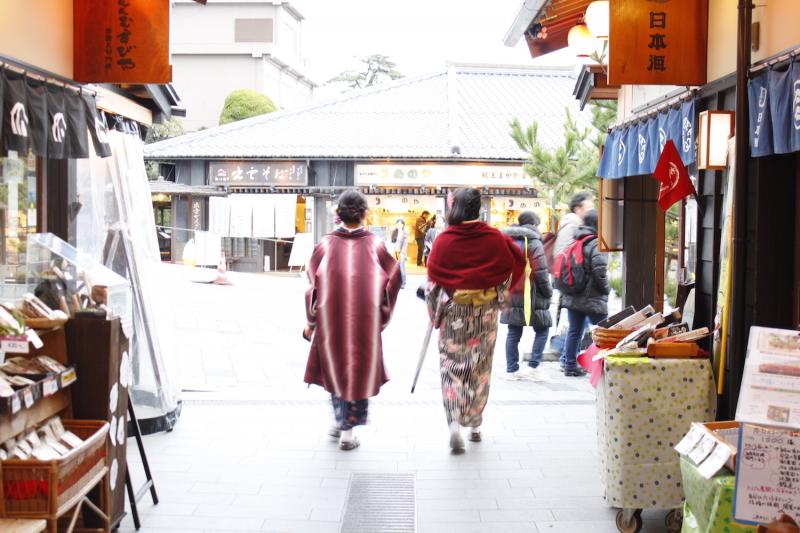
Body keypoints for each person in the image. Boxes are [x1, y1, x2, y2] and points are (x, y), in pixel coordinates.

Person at [426, 188, 525, 452]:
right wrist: (500, 298)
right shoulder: (493, 237)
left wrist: (434, 309)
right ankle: (475, 424)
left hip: (454, 315)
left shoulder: (445, 240)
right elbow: (514, 264)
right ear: (478, 208)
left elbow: (433, 280)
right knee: (479, 369)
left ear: (454, 208)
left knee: (451, 368)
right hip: (486, 314)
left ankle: (454, 426)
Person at [303, 190, 402, 450]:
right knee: (357, 370)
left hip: (330, 320)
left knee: (336, 368)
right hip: (364, 322)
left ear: (338, 215)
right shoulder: (375, 244)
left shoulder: (325, 244)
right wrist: (381, 311)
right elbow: (393, 276)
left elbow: (313, 284)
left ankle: (340, 423)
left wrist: (311, 321)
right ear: (365, 213)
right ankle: (347, 432)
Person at [500, 211, 553, 381]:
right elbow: (541, 271)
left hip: (512, 291)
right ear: (535, 225)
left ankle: (511, 370)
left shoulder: (507, 241)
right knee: (542, 329)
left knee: (513, 331)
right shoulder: (534, 242)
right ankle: (533, 367)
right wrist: (548, 292)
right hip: (532, 293)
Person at [561, 209, 610, 377]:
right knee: (604, 331)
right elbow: (600, 271)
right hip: (593, 297)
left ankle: (570, 365)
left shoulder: (575, 241)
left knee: (574, 330)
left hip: (573, 295)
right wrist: (606, 289)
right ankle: (603, 364)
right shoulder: (596, 243)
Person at [554, 191, 594, 256]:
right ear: (577, 209)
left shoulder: (578, 225)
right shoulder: (571, 226)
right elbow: (560, 255)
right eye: (589, 208)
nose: (592, 210)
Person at [393, 219, 409, 288]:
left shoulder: (405, 232)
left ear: (402, 225)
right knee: (396, 269)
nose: (398, 225)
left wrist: (402, 253)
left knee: (402, 268)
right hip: (395, 252)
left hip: (401, 253)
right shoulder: (394, 232)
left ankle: (403, 283)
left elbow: (405, 244)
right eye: (397, 223)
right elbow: (392, 242)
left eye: (400, 224)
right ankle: (397, 282)